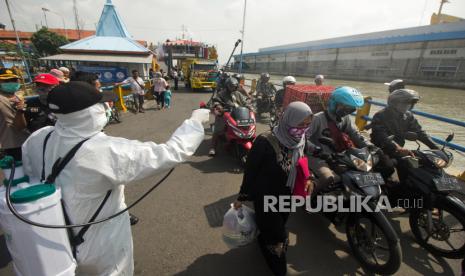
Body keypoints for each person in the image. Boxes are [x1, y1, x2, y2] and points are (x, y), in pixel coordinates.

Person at [21, 81, 210, 275]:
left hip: (53, 241)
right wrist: (195, 122)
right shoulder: (105, 150)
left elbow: (29, 175)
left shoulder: (38, 138)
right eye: (102, 104)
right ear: (90, 112)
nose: (107, 106)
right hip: (101, 244)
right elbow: (171, 152)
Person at [234, 101, 314, 276]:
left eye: (307, 125)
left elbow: (303, 161)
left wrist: (309, 178)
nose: (303, 129)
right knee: (279, 236)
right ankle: (279, 269)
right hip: (266, 197)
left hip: (288, 194)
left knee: (278, 226)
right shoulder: (265, 141)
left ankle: (264, 239)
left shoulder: (301, 139)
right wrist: (242, 196)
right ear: (289, 120)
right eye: (300, 124)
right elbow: (251, 172)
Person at [306, 86, 368, 191]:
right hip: (318, 156)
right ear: (334, 103)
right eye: (345, 107)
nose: (347, 111)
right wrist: (316, 150)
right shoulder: (318, 118)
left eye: (351, 109)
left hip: (339, 155)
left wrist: (369, 145)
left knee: (364, 170)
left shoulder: (345, 118)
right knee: (328, 178)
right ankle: (306, 198)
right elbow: (302, 139)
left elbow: (355, 133)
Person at [370, 89, 438, 180]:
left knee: (425, 162)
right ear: (394, 103)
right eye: (404, 103)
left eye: (409, 104)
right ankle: (383, 187)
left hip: (400, 150)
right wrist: (398, 148)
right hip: (381, 149)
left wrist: (436, 148)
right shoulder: (381, 115)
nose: (407, 106)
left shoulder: (408, 116)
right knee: (388, 167)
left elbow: (420, 132)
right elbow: (382, 136)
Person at [209, 77, 252, 156]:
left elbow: (244, 101)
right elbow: (216, 101)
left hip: (238, 113)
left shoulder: (238, 93)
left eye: (234, 86)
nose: (233, 88)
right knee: (218, 129)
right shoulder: (221, 93)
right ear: (227, 86)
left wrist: (248, 105)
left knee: (247, 125)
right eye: (231, 86)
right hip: (225, 113)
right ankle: (212, 147)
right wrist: (219, 106)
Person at [0, 68, 29, 160]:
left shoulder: (18, 96)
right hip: (10, 145)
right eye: (6, 81)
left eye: (13, 80)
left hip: (26, 141)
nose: (11, 82)